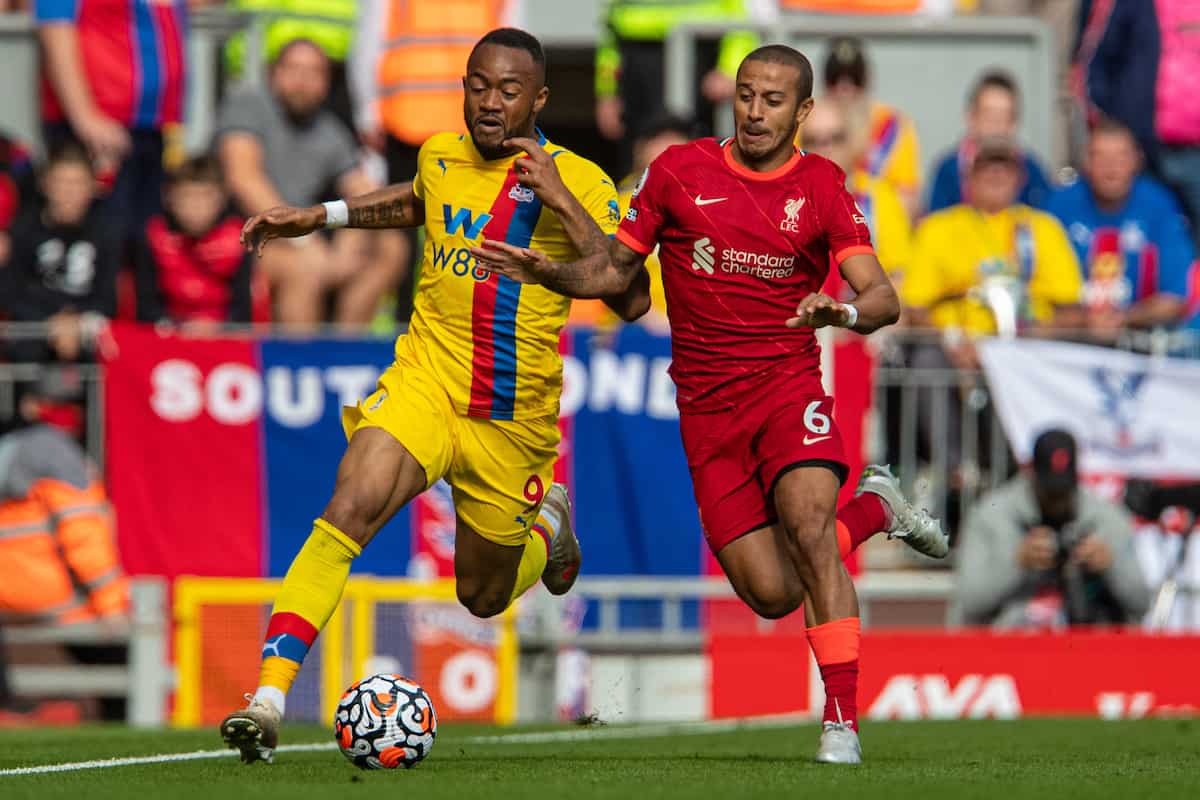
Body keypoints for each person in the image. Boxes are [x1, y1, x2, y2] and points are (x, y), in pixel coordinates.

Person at [473, 44, 949, 765]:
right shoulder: (678, 173)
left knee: (810, 527)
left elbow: (883, 295)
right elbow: (617, 275)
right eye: (746, 96)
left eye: (774, 100)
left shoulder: (821, 186)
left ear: (805, 111)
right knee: (770, 592)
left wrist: (841, 314)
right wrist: (551, 271)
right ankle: (878, 508)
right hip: (708, 413)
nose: (756, 111)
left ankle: (841, 721)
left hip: (788, 390)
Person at [219, 28, 637, 764]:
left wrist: (561, 201)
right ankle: (269, 698)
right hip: (427, 380)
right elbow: (418, 203)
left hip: (511, 420)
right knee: (349, 505)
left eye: (508, 91)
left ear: (537, 100)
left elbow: (626, 290)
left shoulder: (583, 182)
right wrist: (318, 215)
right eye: (478, 85)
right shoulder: (440, 154)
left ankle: (550, 527)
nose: (489, 102)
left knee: (481, 595)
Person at [350, 0, 522, 322]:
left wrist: (367, 109)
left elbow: (369, 42)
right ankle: (411, 319)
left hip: (448, 122)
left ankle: (439, 317)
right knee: (424, 230)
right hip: (420, 122)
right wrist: (369, 110)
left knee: (447, 228)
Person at [217, 39, 404, 325]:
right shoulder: (249, 106)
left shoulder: (331, 129)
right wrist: (303, 239)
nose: (302, 81)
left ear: (327, 82)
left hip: (306, 232)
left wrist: (351, 235)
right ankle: (301, 360)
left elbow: (361, 189)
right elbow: (243, 178)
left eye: (314, 72)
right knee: (306, 267)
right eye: (293, 69)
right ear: (274, 74)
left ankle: (344, 351)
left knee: (392, 246)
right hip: (243, 235)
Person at [0, 370, 129, 724]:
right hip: (43, 589)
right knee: (121, 664)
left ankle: (11, 703)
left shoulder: (12, 446)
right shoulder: (55, 450)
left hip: (11, 589)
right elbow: (84, 537)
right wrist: (111, 606)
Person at [952, 429, 1150, 627]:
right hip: (1014, 641)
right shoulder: (992, 515)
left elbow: (1142, 604)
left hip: (1089, 637)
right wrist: (1017, 563)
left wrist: (1110, 565)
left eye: (1063, 492)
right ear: (1031, 475)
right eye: (1050, 493)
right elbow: (969, 601)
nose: (1057, 502)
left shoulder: (1107, 517)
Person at [35, 0, 186, 247]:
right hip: (101, 128)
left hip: (150, 125)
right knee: (105, 239)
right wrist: (85, 116)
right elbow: (55, 27)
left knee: (145, 238)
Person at [1047, 118, 1193, 340]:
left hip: (1141, 339)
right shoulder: (1059, 205)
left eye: (1120, 156)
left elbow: (1175, 299)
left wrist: (1123, 318)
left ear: (1137, 160)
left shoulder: (1159, 205)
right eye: (1101, 156)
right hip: (1073, 340)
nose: (1111, 166)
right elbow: (1039, 301)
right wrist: (1086, 321)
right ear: (1086, 162)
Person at [595, 0, 766, 173]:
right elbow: (611, 26)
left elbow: (739, 16)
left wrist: (731, 69)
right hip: (635, 52)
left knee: (695, 154)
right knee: (643, 154)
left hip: (699, 47)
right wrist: (608, 92)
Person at [0, 142, 119, 365]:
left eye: (77, 184)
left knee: (104, 354)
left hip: (85, 327)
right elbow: (9, 292)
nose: (69, 192)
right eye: (61, 183)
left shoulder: (106, 233)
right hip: (33, 326)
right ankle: (25, 400)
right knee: (23, 349)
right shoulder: (24, 229)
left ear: (93, 187)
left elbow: (108, 300)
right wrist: (51, 321)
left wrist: (75, 320)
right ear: (45, 184)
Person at [134, 156, 255, 326]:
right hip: (169, 335)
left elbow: (242, 312)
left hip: (224, 337)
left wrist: (218, 328)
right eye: (186, 196)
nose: (196, 207)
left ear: (222, 199)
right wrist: (179, 326)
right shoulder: (154, 237)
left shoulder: (239, 240)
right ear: (169, 198)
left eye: (205, 196)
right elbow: (146, 309)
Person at [821, 36, 922, 218]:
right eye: (835, 79)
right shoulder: (806, 126)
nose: (845, 88)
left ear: (866, 81)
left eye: (855, 79)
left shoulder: (894, 126)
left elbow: (908, 204)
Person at [927, 70, 1054, 214]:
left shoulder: (1032, 171)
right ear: (971, 118)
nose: (996, 124)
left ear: (1015, 123)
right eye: (989, 115)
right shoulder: (949, 170)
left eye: (1005, 116)